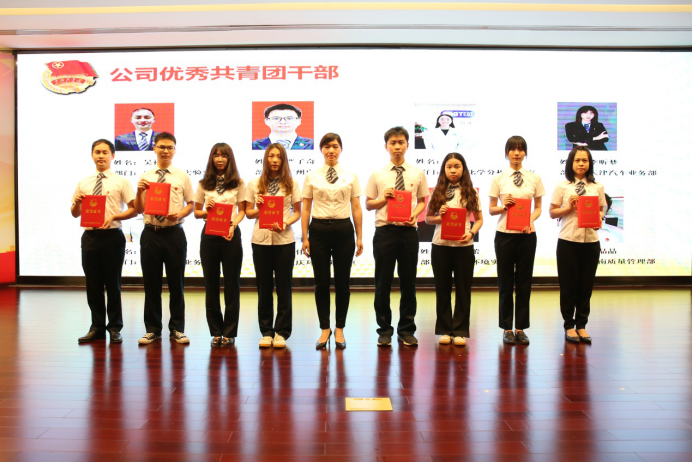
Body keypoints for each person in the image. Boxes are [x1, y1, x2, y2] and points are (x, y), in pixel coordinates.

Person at [365, 126, 429, 347]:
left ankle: (406, 329)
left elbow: (422, 201)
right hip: (385, 232)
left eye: (401, 142)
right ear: (386, 146)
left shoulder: (417, 173)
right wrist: (383, 198)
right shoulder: (377, 174)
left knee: (408, 282)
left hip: (408, 232)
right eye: (393, 143)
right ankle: (384, 330)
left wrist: (414, 215)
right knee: (382, 283)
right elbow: (368, 204)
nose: (397, 146)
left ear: (407, 145)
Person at [301, 133, 364, 349]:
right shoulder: (312, 175)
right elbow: (306, 208)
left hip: (343, 230)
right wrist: (305, 237)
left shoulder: (350, 175)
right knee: (321, 283)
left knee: (342, 283)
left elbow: (356, 207)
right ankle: (324, 328)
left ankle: (340, 329)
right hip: (318, 230)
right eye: (327, 146)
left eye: (335, 146)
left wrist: (359, 236)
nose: (331, 150)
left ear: (341, 149)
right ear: (321, 150)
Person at [72, 139, 137, 343]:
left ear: (113, 156)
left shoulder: (121, 181)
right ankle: (97, 327)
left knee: (113, 284)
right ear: (92, 155)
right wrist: (78, 204)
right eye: (97, 152)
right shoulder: (84, 182)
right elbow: (74, 213)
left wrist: (115, 216)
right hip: (90, 237)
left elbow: (134, 209)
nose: (101, 156)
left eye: (105, 152)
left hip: (112, 237)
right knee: (93, 284)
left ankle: (115, 327)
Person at [134, 132, 194, 345]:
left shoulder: (182, 176)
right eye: (162, 147)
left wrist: (179, 214)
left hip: (174, 233)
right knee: (151, 284)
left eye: (170, 147)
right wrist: (139, 192)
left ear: (175, 150)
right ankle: (152, 329)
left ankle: (177, 328)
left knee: (177, 283)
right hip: (151, 233)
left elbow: (190, 204)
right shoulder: (146, 176)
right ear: (154, 149)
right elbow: (138, 209)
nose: (165, 151)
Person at [489, 135, 545, 345]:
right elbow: (491, 209)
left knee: (524, 282)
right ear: (507, 153)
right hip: (504, 235)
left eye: (521, 149)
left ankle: (520, 328)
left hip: (527, 235)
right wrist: (504, 206)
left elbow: (538, 208)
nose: (516, 153)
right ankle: (506, 328)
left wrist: (529, 220)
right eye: (512, 149)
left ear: (525, 153)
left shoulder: (534, 178)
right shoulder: (499, 178)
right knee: (505, 283)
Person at [245, 143, 302, 348]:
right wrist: (259, 208)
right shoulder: (254, 184)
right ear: (265, 159)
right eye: (271, 156)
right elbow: (248, 213)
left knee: (284, 287)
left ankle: (282, 332)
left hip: (284, 240)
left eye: (279, 156)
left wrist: (285, 223)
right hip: (260, 240)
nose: (275, 160)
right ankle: (266, 331)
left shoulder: (292, 184)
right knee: (264, 287)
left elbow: (297, 212)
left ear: (284, 159)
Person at [425, 152, 483, 346]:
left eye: (457, 166)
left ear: (463, 169)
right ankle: (444, 330)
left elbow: (479, 219)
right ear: (444, 169)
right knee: (442, 289)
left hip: (463, 246)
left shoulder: (471, 192)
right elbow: (428, 219)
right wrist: (439, 216)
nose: (453, 170)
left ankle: (459, 331)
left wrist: (471, 233)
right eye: (449, 166)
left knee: (463, 290)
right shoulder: (437, 191)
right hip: (440, 246)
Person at [549, 146, 606, 344]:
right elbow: (552, 212)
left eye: (585, 160)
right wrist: (568, 207)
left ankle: (582, 325)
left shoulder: (597, 187)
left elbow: (601, 211)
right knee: (568, 286)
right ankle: (569, 325)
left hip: (591, 242)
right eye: (577, 160)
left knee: (586, 286)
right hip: (568, 241)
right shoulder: (562, 187)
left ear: (590, 163)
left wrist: (598, 218)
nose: (581, 164)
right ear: (570, 163)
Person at [193, 143, 246, 348]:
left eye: (224, 156)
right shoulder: (203, 183)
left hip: (231, 234)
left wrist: (233, 225)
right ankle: (216, 331)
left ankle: (230, 332)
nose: (220, 159)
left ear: (230, 159)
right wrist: (206, 210)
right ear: (211, 159)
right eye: (216, 155)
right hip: (210, 234)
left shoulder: (238, 183)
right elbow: (197, 213)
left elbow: (242, 211)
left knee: (232, 283)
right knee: (211, 284)